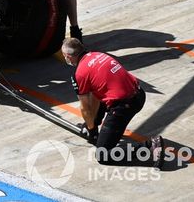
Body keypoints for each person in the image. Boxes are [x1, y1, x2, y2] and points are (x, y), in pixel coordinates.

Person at [61, 38, 164, 168]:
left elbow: (85, 107)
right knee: (100, 97)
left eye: (65, 56)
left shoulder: (80, 73)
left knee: (103, 155)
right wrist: (92, 124)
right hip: (139, 94)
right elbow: (98, 96)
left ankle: (149, 147)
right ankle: (95, 126)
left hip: (123, 106)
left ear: (69, 56)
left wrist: (92, 130)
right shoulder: (99, 55)